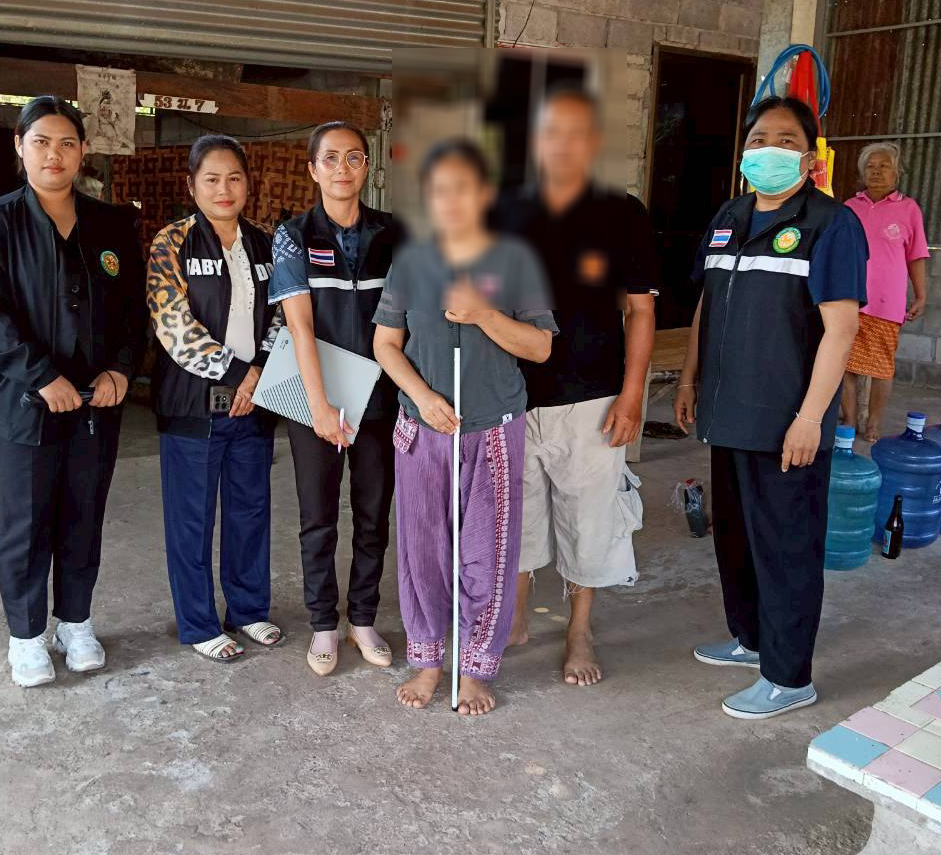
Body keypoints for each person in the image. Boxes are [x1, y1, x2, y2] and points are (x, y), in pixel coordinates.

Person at [674, 96, 866, 720]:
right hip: (728, 412)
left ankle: (788, 677)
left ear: (809, 158)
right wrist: (688, 379)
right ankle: (751, 639)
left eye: (786, 141)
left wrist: (810, 418)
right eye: (759, 139)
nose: (769, 150)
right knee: (735, 538)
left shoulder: (831, 224)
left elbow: (841, 330)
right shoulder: (729, 216)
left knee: (786, 549)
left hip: (786, 421)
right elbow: (706, 304)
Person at [0, 95, 145, 688]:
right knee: (25, 522)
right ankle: (26, 635)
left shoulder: (112, 224)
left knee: (82, 518)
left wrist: (120, 370)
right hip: (21, 405)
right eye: (41, 142)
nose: (54, 155)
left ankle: (76, 623)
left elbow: (132, 313)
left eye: (67, 143)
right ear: (20, 146)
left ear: (83, 151)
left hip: (96, 405)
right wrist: (42, 376)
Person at [373, 140, 556, 715]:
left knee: (488, 552)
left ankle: (476, 668)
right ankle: (429, 663)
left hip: (493, 430)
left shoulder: (516, 262)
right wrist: (423, 397)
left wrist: (484, 314)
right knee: (423, 551)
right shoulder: (412, 263)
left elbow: (540, 347)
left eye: (463, 188)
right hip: (424, 428)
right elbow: (385, 344)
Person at [493, 86, 658, 687]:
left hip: (592, 396)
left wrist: (633, 395)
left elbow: (640, 311)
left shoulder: (622, 213)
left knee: (589, 517)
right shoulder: (503, 210)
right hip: (510, 394)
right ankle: (516, 615)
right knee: (516, 513)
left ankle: (579, 628)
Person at [269, 121, 405, 676]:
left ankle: (363, 619)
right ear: (313, 169)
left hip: (381, 396)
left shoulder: (395, 233)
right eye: (330, 158)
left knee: (373, 514)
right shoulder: (293, 235)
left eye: (353, 157)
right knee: (318, 516)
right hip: (316, 397)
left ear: (367, 166)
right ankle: (324, 624)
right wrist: (319, 405)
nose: (342, 168)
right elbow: (300, 326)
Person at [148, 135, 284, 662]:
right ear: (192, 185)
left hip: (254, 402)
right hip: (193, 405)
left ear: (248, 184)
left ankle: (248, 610)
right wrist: (240, 376)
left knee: (250, 511)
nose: (223, 189)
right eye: (211, 179)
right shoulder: (171, 242)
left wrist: (259, 374)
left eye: (233, 178)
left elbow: (283, 316)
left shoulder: (266, 243)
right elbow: (174, 326)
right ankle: (199, 622)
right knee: (192, 519)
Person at [840, 142, 929, 442]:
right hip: (849, 298)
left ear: (896, 173)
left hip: (886, 302)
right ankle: (850, 420)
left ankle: (874, 424)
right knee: (844, 364)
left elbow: (916, 255)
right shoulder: (850, 208)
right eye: (870, 167)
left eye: (884, 166)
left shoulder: (908, 209)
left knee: (882, 368)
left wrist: (921, 295)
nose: (876, 172)